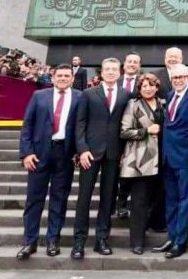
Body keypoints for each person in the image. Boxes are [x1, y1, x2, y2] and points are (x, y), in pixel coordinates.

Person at [16, 64, 80, 260]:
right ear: (52, 78)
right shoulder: (39, 96)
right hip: (39, 153)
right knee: (34, 199)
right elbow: (27, 125)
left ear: (72, 79)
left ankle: (53, 240)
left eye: (66, 76)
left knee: (59, 200)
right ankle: (29, 242)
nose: (62, 78)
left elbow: (81, 127)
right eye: (59, 75)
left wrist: (79, 151)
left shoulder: (80, 97)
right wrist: (26, 153)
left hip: (65, 153)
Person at [72, 58, 130, 259]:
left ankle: (101, 239)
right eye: (107, 69)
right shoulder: (88, 94)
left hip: (114, 154)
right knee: (84, 198)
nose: (111, 72)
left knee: (108, 199)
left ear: (120, 72)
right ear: (101, 72)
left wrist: (124, 152)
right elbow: (79, 123)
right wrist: (82, 149)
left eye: (115, 69)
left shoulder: (126, 95)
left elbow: (126, 124)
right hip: (90, 153)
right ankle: (79, 241)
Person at [153, 64, 188, 259]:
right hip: (168, 156)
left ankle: (181, 242)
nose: (177, 80)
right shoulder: (170, 95)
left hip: (186, 157)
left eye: (181, 77)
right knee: (171, 200)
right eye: (174, 77)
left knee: (185, 201)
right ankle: (172, 236)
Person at [119, 73, 164, 254]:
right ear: (139, 88)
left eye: (151, 85)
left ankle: (155, 225)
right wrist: (146, 130)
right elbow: (124, 131)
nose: (148, 88)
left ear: (157, 87)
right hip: (140, 160)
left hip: (162, 158)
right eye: (144, 86)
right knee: (139, 202)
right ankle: (137, 242)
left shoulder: (164, 103)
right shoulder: (133, 104)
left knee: (157, 197)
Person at [115, 51, 143, 219]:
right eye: (129, 61)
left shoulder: (143, 83)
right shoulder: (114, 81)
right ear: (124, 64)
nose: (132, 64)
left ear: (139, 66)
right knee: (114, 173)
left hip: (134, 135)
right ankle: (114, 203)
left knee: (129, 171)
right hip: (113, 135)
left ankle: (123, 204)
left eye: (136, 62)